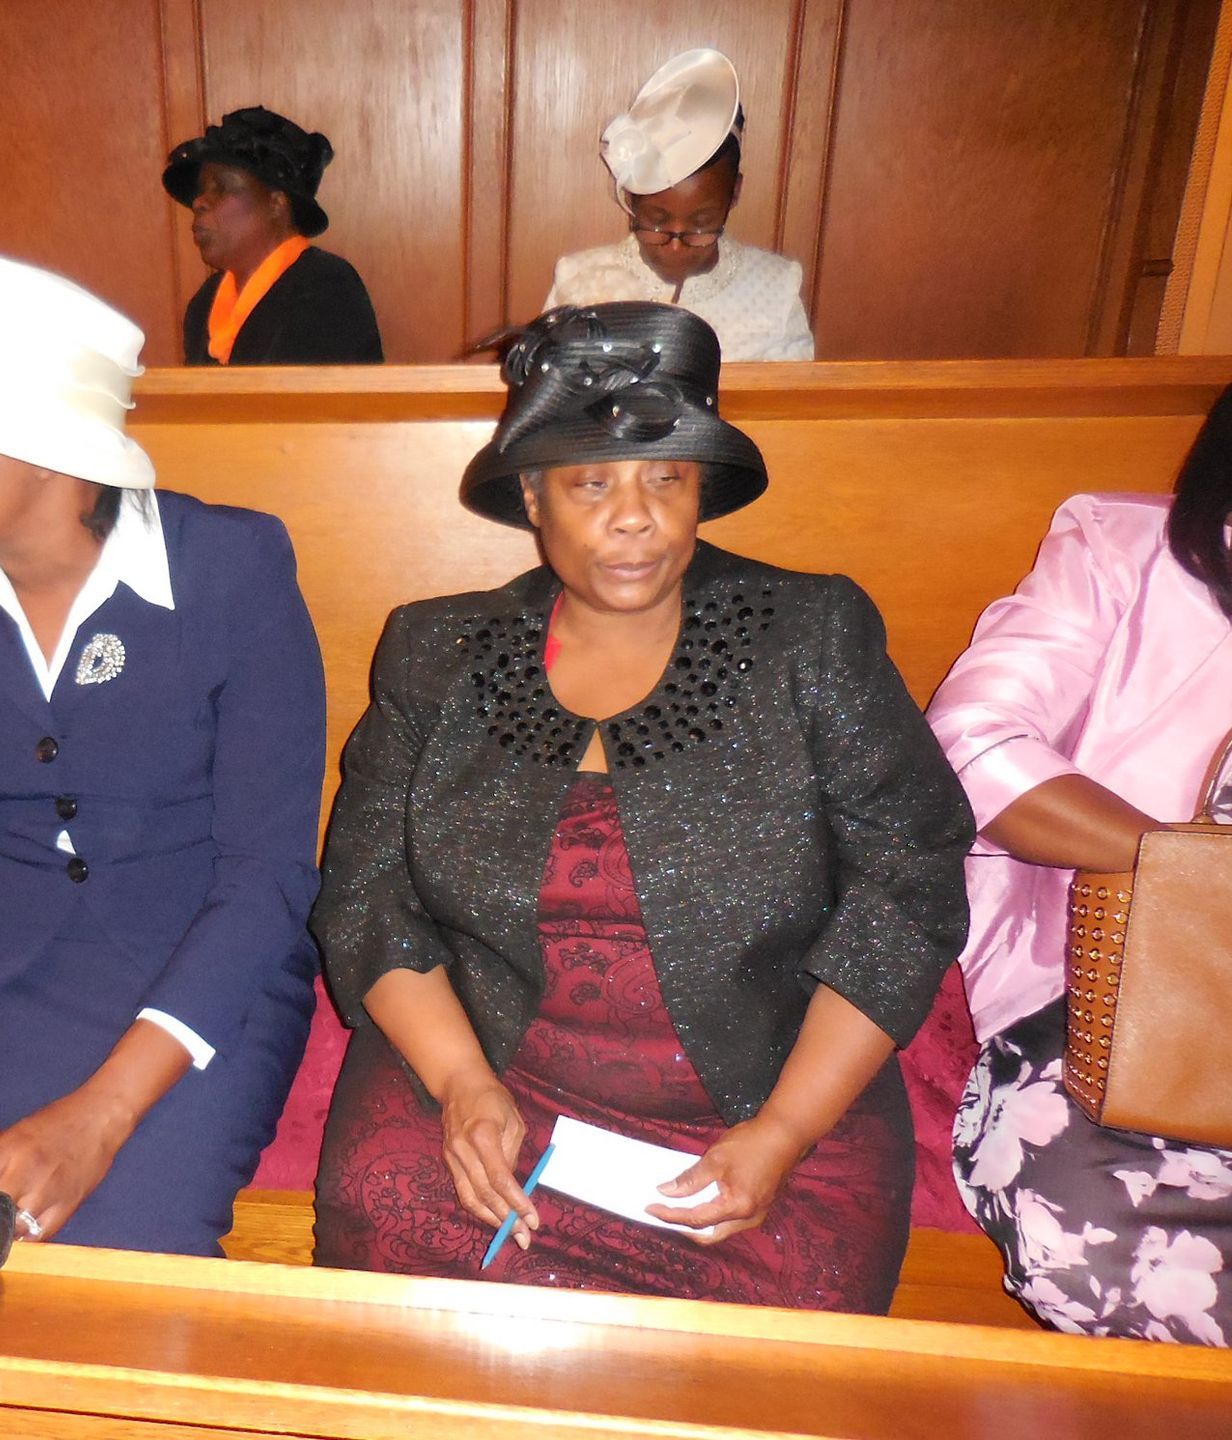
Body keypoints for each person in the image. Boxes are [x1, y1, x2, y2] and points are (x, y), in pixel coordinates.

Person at [310, 303, 972, 1312]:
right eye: (592, 483)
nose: (637, 518)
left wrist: (785, 1130)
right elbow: (366, 892)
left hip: (759, 1088)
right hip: (493, 1069)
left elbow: (909, 883)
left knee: (796, 1310)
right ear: (532, 496)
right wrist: (460, 1087)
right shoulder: (438, 653)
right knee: (383, 1217)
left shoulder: (809, 636)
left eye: (667, 478)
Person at [0, 249, 325, 1255]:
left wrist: (104, 1116)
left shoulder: (232, 571)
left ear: (44, 448)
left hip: (194, 992)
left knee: (101, 1297)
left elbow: (264, 879)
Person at [928, 389, 1232, 1347]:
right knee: (1086, 1227)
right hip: (1113, 1003)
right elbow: (973, 744)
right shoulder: (1123, 555)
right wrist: (1194, 878)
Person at [543, 50, 814, 362]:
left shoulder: (775, 289)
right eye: (657, 222)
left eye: (701, 225)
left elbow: (793, 404)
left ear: (734, 194)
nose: (675, 247)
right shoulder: (579, 280)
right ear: (631, 199)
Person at [163, 106, 383, 366]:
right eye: (202, 190)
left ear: (276, 204)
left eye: (220, 187)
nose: (199, 202)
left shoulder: (324, 288)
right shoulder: (205, 303)